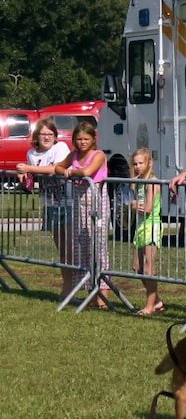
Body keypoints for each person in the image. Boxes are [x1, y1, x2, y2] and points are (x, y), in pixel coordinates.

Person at [54, 121, 110, 308]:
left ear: (93, 139)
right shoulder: (74, 155)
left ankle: (103, 294)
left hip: (97, 205)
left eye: (86, 139)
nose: (82, 142)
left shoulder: (99, 155)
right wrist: (66, 171)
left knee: (98, 248)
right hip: (80, 207)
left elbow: (87, 171)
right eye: (79, 139)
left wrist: (72, 172)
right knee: (84, 249)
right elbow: (58, 167)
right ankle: (90, 293)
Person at [18, 119, 73, 295]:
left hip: (70, 202)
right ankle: (67, 287)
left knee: (71, 248)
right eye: (43, 134)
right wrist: (24, 173)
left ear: (55, 136)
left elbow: (56, 168)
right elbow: (32, 172)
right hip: (50, 204)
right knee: (62, 250)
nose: (47, 137)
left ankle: (78, 287)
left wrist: (29, 168)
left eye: (51, 134)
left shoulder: (61, 148)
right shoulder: (31, 154)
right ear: (37, 136)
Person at [130, 147, 164, 316]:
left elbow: (148, 208)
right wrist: (135, 206)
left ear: (149, 163)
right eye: (135, 164)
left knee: (149, 268)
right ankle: (157, 301)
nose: (137, 167)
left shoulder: (152, 181)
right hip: (140, 226)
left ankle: (149, 306)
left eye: (141, 163)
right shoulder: (139, 182)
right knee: (137, 267)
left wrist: (135, 206)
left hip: (152, 226)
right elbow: (137, 205)